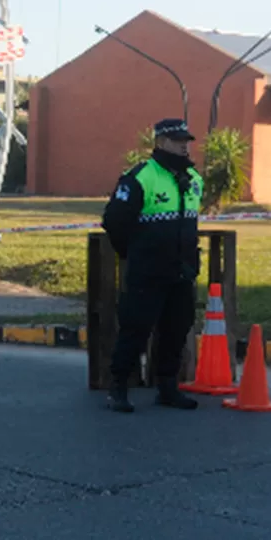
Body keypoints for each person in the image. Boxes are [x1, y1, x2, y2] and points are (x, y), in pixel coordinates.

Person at [100, 118, 205, 413]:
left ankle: (167, 387)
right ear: (160, 142)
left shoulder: (193, 179)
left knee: (177, 329)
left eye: (186, 140)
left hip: (182, 270)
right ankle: (118, 388)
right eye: (177, 140)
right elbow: (114, 222)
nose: (184, 145)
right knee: (136, 329)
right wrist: (132, 252)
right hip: (149, 271)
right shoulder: (141, 177)